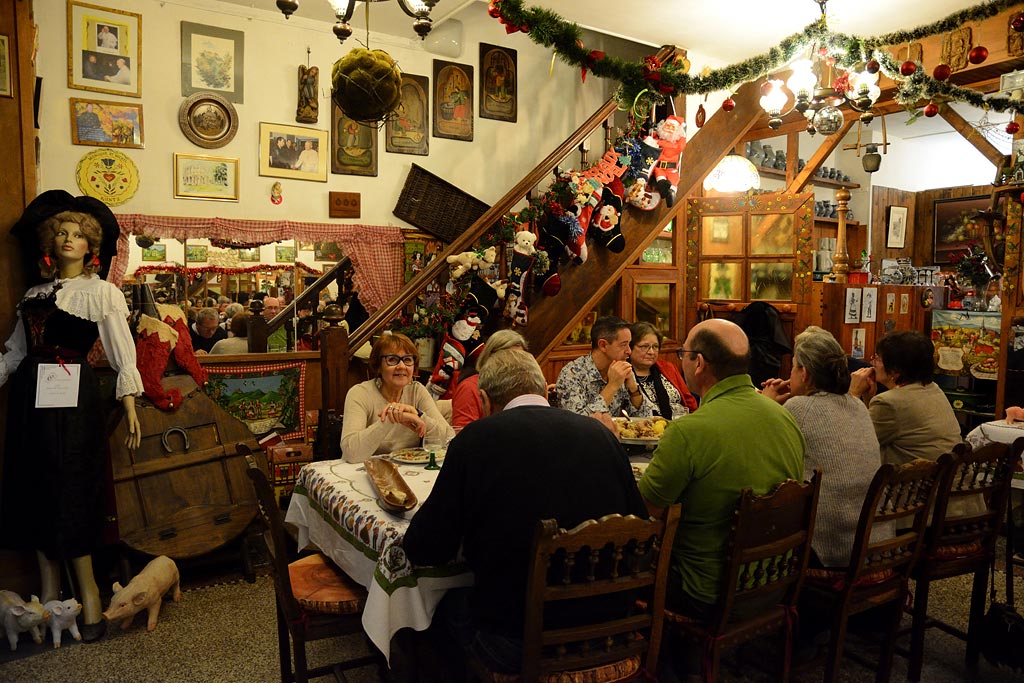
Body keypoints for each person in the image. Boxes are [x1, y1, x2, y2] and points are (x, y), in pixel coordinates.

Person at [404, 349, 647, 675]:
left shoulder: (476, 440)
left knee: (430, 614)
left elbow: (426, 547)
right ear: (541, 388)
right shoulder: (601, 434)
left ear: (486, 399)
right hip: (611, 628)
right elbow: (639, 528)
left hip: (517, 640)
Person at [1, 191, 144, 643]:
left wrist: (130, 404)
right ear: (50, 240)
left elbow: (122, 353)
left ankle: (90, 598)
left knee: (72, 484)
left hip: (72, 396)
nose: (68, 239)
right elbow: (15, 351)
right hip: (31, 398)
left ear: (91, 247)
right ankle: (47, 595)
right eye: (61, 232)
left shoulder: (100, 292)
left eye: (78, 235)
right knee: (37, 483)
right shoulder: (34, 293)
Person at [637, 318, 804, 679]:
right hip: (775, 579)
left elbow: (644, 515)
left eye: (682, 355)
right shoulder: (784, 417)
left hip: (707, 591)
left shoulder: (688, 431)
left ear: (699, 363)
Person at [762, 326, 883, 568]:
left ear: (804, 373)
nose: (790, 373)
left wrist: (765, 405)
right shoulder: (856, 403)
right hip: (871, 541)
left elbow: (759, 450)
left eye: (793, 366)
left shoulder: (799, 408)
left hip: (827, 550)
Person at [849, 330, 961, 465]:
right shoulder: (932, 388)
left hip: (912, 483)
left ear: (896, 370)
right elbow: (873, 430)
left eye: (878, 358)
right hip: (945, 478)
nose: (872, 362)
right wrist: (868, 398)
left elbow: (852, 442)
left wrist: (853, 393)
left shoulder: (890, 403)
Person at [340, 332, 452, 463]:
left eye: (408, 360)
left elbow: (449, 439)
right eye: (392, 359)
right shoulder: (359, 394)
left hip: (408, 472)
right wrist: (390, 419)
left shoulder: (417, 391)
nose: (402, 366)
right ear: (378, 366)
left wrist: (419, 415)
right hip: (364, 472)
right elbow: (351, 454)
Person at [555, 315, 651, 420]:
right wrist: (612, 386)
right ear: (603, 345)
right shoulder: (572, 373)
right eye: (623, 345)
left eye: (629, 344)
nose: (629, 351)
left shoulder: (622, 367)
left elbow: (645, 420)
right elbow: (578, 424)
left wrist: (634, 391)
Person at [451, 329, 528, 428]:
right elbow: (463, 435)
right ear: (490, 357)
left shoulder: (521, 387)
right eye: (508, 358)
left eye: (520, 358)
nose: (515, 365)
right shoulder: (470, 388)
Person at [628, 321, 697, 418]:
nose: (651, 352)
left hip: (680, 423)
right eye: (644, 347)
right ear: (630, 347)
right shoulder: (625, 373)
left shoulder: (668, 367)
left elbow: (689, 400)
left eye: (655, 347)